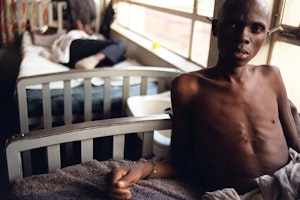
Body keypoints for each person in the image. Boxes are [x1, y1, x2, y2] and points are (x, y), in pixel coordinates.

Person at [106, 0, 300, 199]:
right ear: (216, 27)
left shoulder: (272, 76)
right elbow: (181, 162)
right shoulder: (189, 87)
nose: (243, 37)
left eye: (256, 28)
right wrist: (141, 169)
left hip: (290, 181)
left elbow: (296, 144)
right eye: (232, 24)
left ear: (266, 35)